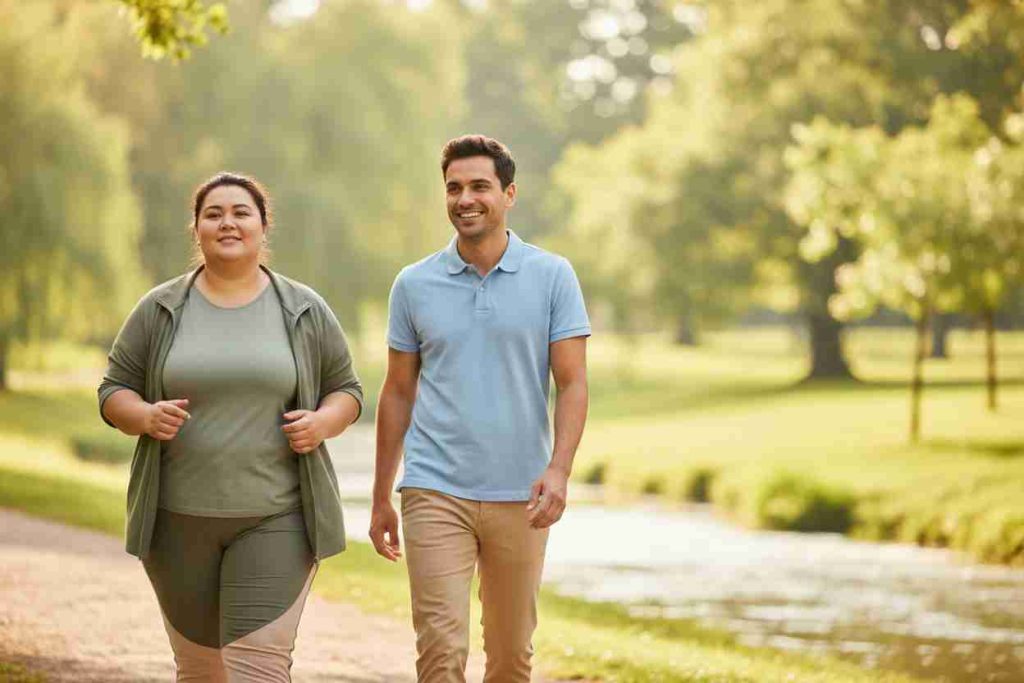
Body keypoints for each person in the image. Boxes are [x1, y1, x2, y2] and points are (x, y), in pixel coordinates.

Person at [98, 172, 362, 682]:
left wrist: (322, 423)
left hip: (277, 518)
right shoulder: (159, 309)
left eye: (241, 212)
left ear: (264, 228)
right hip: (175, 521)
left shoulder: (304, 308)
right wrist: (145, 416)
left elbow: (346, 391)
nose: (227, 222)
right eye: (213, 213)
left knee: (257, 668)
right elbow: (113, 392)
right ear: (196, 229)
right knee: (200, 670)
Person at [370, 135, 590, 682]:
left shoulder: (553, 276)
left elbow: (572, 383)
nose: (465, 199)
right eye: (453, 188)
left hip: (523, 494)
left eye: (478, 187)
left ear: (509, 194)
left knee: (512, 657)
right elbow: (397, 391)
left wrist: (559, 469)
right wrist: (381, 497)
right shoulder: (414, 284)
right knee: (441, 651)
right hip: (434, 487)